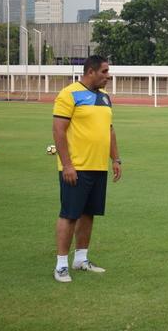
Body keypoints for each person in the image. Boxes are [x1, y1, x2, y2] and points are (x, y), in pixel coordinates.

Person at [52, 55, 122, 283]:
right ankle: (61, 265)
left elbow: (109, 130)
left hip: (98, 167)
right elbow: (59, 130)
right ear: (90, 71)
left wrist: (116, 159)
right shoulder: (69, 94)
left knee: (88, 213)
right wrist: (67, 165)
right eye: (104, 71)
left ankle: (81, 259)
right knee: (70, 214)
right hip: (76, 167)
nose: (108, 76)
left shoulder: (105, 97)